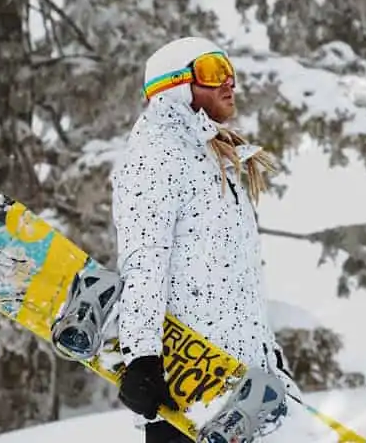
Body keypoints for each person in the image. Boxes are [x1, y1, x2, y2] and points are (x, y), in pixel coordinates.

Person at [109, 36, 301, 443]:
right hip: (186, 394)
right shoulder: (156, 155)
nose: (228, 82)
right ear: (174, 85)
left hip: (239, 393)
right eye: (213, 72)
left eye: (229, 72)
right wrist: (141, 358)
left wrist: (266, 354)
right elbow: (145, 259)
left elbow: (234, 277)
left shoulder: (213, 157)